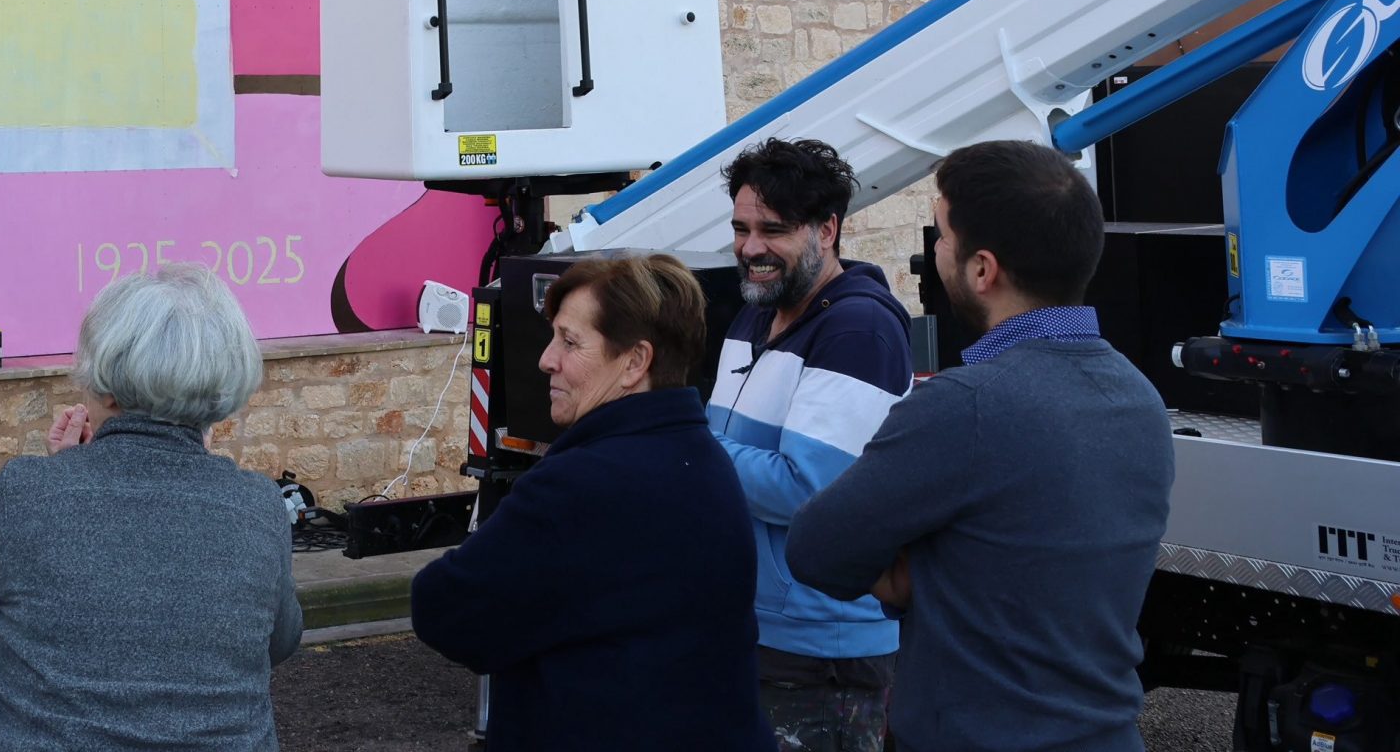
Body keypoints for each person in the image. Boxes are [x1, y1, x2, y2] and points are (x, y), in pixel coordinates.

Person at [788, 140, 1173, 752]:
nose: (933, 251)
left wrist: (916, 576)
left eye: (940, 235)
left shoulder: (964, 405)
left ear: (982, 270)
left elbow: (815, 550)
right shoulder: (1139, 397)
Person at [412, 253, 773, 752]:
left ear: (634, 362)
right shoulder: (706, 461)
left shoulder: (581, 484)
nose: (546, 359)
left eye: (570, 341)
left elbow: (442, 609)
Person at [0, 262, 302, 751]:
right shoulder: (257, 505)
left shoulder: (25, 491)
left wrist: (63, 482)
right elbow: (279, 642)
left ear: (106, 385)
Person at [708, 137, 914, 749]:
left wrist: (685, 446)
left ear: (827, 229)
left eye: (773, 229)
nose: (750, 248)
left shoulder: (859, 328)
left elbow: (808, 490)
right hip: (757, 628)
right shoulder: (756, 309)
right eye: (741, 228)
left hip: (823, 644)